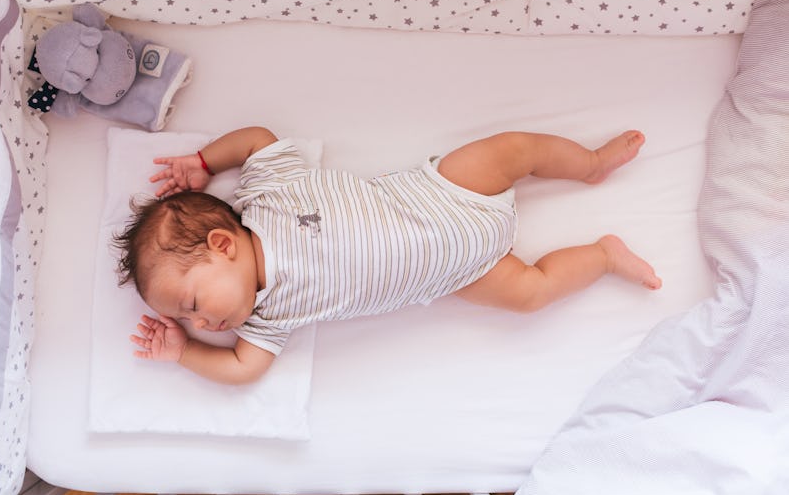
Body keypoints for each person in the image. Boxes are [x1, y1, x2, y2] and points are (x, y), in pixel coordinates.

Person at [115, 126, 662, 385]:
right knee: (531, 293)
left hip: (446, 192)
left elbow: (258, 139)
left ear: (222, 244)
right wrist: (183, 352)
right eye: (189, 320)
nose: (202, 321)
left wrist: (206, 161)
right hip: (460, 273)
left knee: (515, 150)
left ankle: (589, 163)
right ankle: (604, 257)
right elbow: (242, 369)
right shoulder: (269, 317)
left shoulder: (267, 197)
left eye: (191, 302)